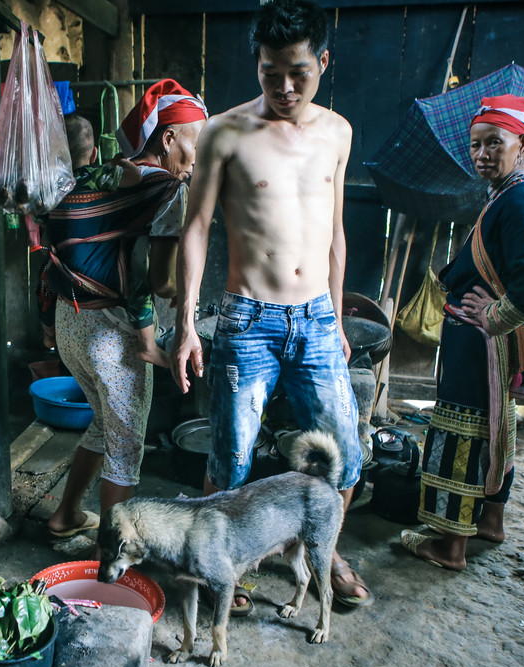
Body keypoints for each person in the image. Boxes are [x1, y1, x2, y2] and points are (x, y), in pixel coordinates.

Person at [172, 0, 370, 611]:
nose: (284, 87)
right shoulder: (226, 132)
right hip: (248, 320)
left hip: (314, 318)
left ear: (323, 62)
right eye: (269, 73)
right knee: (230, 456)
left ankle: (324, 548)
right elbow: (197, 227)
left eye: (298, 72)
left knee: (345, 452)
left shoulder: (337, 132)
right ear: (256, 66)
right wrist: (185, 325)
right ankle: (214, 563)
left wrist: (335, 317)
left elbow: (335, 234)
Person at [44, 81, 207, 540]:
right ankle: (111, 556)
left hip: (70, 319)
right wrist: (182, 288)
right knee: (126, 445)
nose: (201, 155)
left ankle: (65, 515)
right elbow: (155, 280)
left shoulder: (113, 172)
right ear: (170, 138)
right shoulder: (167, 191)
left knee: (104, 423)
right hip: (114, 334)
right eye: (197, 142)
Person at [400, 94, 524, 570]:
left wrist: (496, 316)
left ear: (523, 143)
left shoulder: (521, 198)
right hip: (484, 344)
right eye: (475, 145)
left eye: (495, 142)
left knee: (460, 434)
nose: (483, 153)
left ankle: (449, 545)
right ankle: (490, 521)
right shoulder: (511, 195)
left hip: (480, 342)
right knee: (493, 428)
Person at [39, 114, 170, 368]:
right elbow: (135, 179)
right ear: (94, 153)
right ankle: (148, 347)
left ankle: (48, 335)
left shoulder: (50, 187)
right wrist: (122, 164)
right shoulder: (99, 175)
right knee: (138, 280)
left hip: (63, 274)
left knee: (44, 281)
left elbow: (43, 220)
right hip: (97, 277)